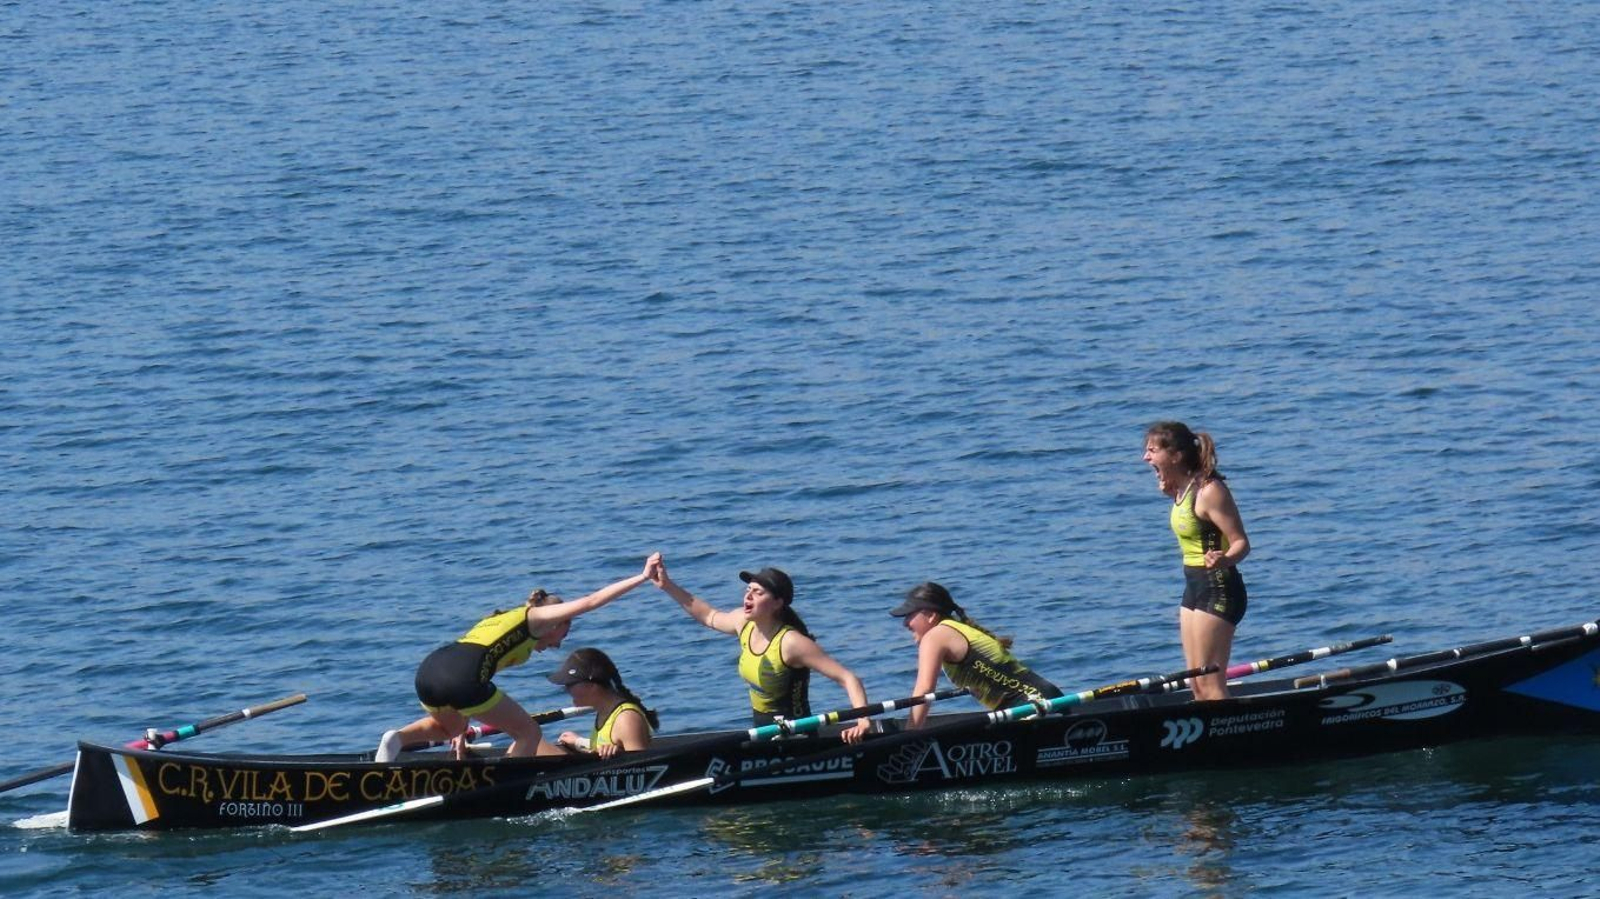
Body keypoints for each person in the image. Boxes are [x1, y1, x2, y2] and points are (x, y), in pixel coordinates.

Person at [374, 553, 661, 762]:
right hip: (462, 677)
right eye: (564, 635)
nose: (559, 645)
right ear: (557, 623)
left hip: (429, 671)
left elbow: (471, 668)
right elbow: (591, 602)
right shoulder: (536, 618)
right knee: (529, 732)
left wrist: (460, 724)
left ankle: (397, 738)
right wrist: (642, 577)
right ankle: (503, 786)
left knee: (453, 728)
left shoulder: (500, 621)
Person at [651, 560, 873, 743]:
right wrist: (667, 585)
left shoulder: (791, 643)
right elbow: (709, 616)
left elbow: (848, 678)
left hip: (797, 737)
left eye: (757, 592)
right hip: (762, 732)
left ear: (777, 603)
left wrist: (863, 720)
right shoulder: (743, 623)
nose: (748, 596)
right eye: (748, 590)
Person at [1143, 421, 1251, 700]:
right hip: (1194, 587)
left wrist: (1224, 558)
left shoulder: (1209, 490)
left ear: (1176, 456)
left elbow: (1241, 543)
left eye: (1152, 450)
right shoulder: (1179, 490)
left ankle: (1235, 735)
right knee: (1196, 684)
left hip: (1219, 588)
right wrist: (1170, 492)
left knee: (1211, 683)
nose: (1146, 457)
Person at [889, 582, 1063, 727]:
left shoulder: (935, 636)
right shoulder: (954, 628)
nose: (905, 623)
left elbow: (924, 690)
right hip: (1046, 699)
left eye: (909, 615)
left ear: (931, 615)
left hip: (1031, 707)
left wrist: (910, 735)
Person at [548, 647, 658, 759]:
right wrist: (578, 742)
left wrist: (617, 757)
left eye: (570, 684)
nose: (566, 690)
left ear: (592, 686)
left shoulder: (626, 720)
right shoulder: (604, 712)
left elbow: (642, 767)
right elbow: (602, 744)